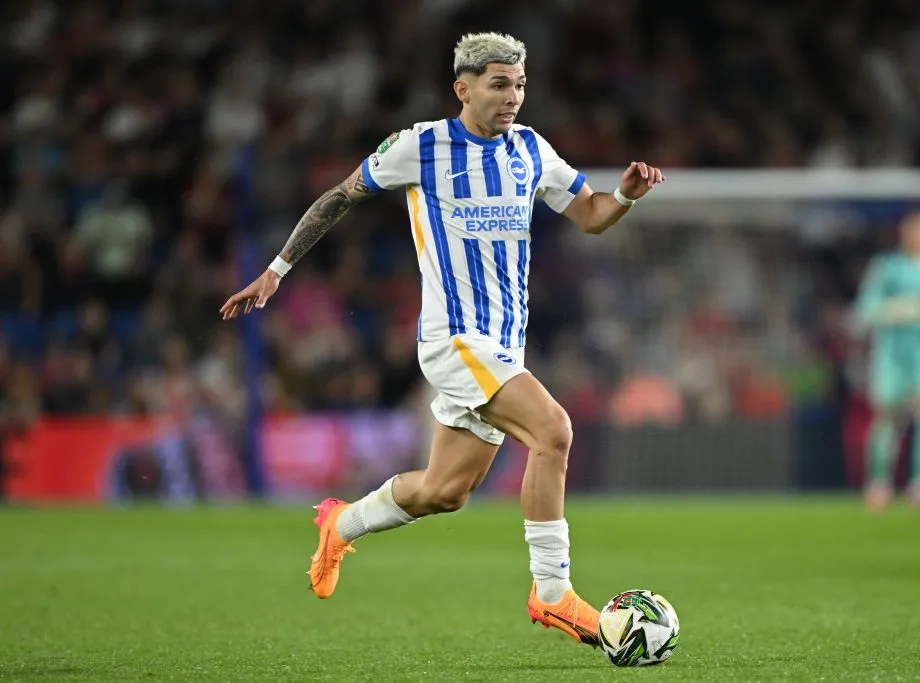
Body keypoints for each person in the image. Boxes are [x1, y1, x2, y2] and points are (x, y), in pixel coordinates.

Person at [220, 32, 664, 645]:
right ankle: (553, 594)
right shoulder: (419, 146)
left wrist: (622, 197)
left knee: (443, 492)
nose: (513, 96)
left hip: (504, 344)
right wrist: (276, 271)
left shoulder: (531, 150)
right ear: (464, 88)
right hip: (454, 339)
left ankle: (340, 524)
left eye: (520, 84)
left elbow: (589, 214)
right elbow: (338, 198)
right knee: (554, 430)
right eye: (499, 84)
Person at [854, 210, 920, 509]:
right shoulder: (887, 267)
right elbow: (865, 308)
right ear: (907, 233)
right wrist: (895, 310)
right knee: (888, 417)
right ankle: (878, 483)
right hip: (892, 351)